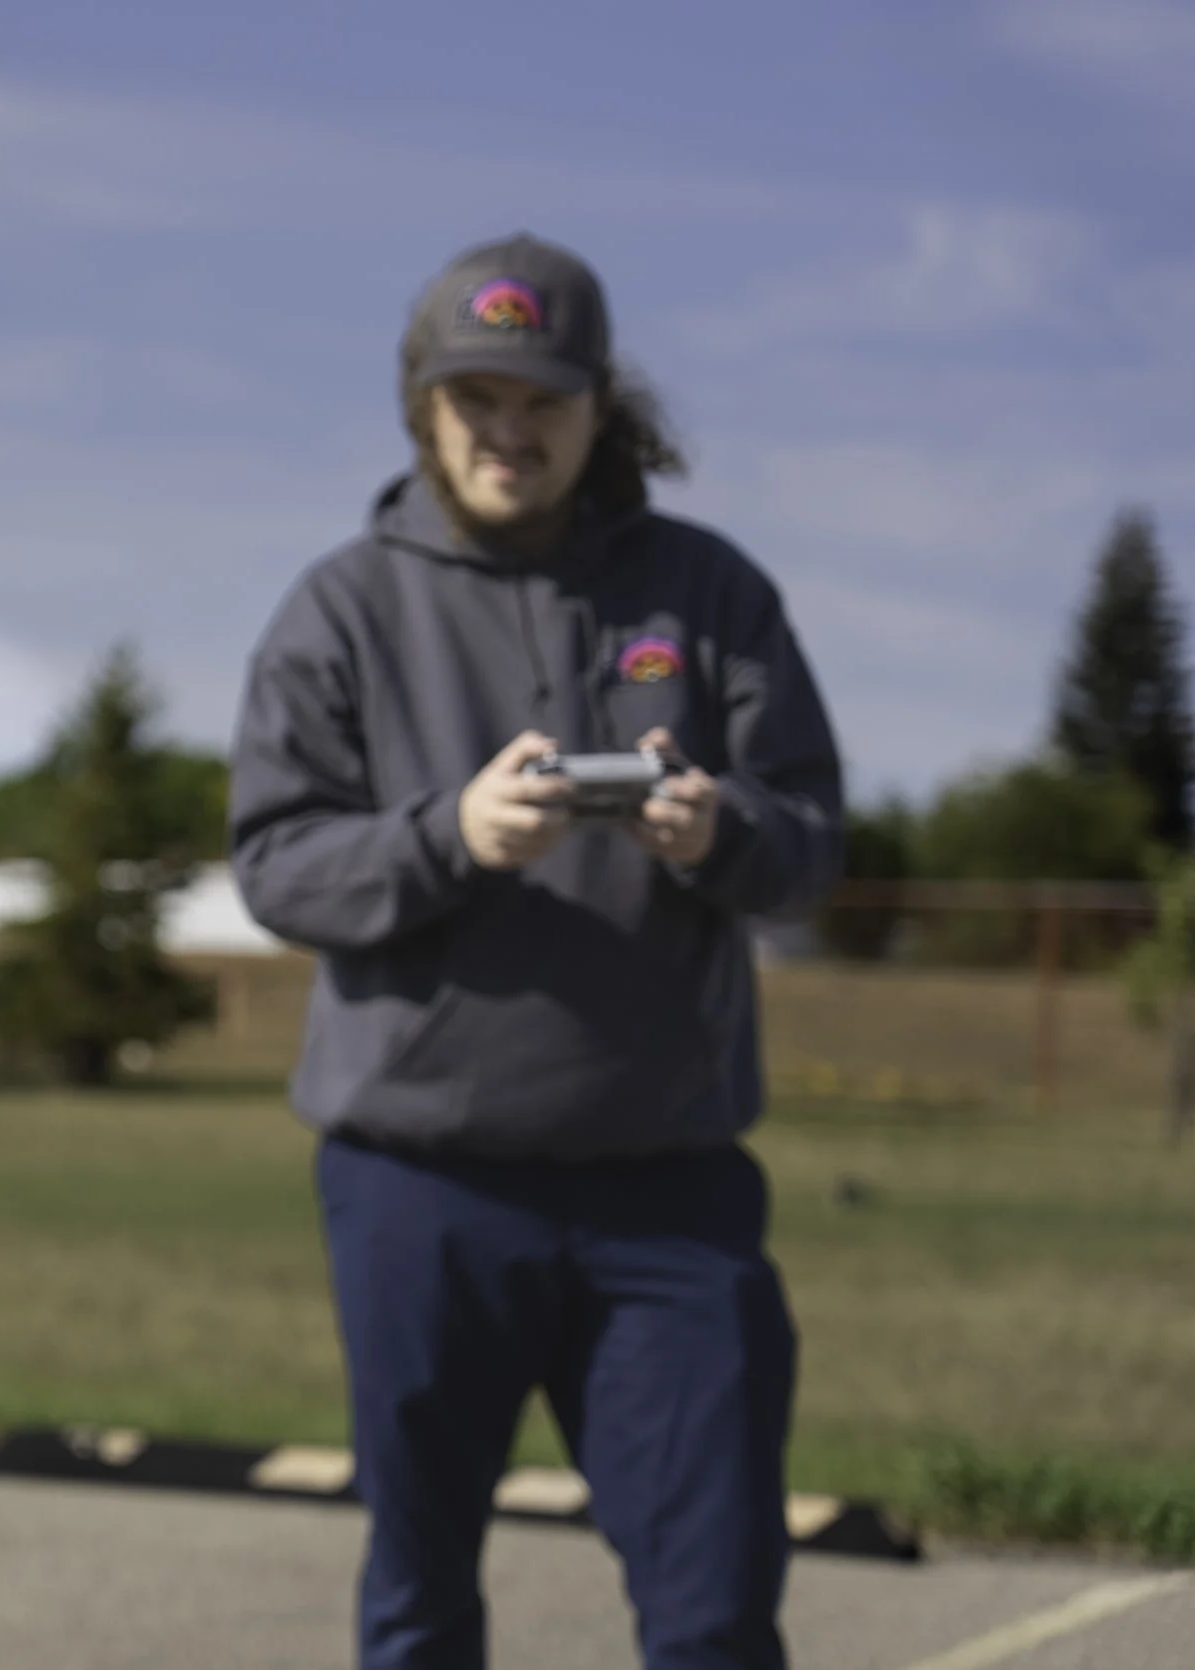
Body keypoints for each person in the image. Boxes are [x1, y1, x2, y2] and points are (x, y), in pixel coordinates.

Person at [227, 233, 844, 1670]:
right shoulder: (342, 608)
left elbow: (810, 838)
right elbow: (275, 862)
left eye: (543, 402)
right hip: (418, 1186)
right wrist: (451, 834)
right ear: (423, 408)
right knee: (424, 1590)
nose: (509, 432)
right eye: (476, 400)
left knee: (714, 1607)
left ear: (600, 409)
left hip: (670, 1193)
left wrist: (716, 830)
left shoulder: (712, 593)